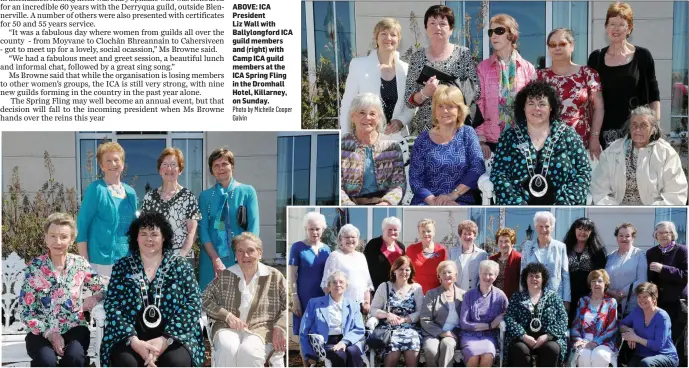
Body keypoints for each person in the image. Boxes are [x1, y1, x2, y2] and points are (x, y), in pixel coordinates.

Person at [100, 212, 204, 367]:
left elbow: (193, 303)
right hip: (129, 335)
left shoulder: (181, 266)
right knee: (126, 362)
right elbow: (112, 305)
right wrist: (134, 341)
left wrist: (165, 340)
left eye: (154, 234)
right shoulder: (122, 266)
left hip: (174, 336)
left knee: (175, 362)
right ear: (136, 237)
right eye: (143, 234)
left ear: (163, 237)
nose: (149, 239)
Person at [21, 213, 106, 367]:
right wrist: (50, 334)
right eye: (53, 236)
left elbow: (103, 288)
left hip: (74, 326)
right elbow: (26, 311)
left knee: (75, 358)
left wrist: (95, 297)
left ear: (71, 240)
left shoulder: (80, 264)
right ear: (46, 238)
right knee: (46, 361)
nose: (57, 242)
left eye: (63, 237)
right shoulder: (34, 267)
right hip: (41, 331)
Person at [490, 80, 591, 205]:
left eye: (542, 104)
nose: (536, 108)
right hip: (517, 211)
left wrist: (564, 204)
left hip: (562, 210)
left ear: (551, 108)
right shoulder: (509, 137)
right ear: (523, 107)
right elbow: (499, 174)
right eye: (531, 103)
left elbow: (583, 172)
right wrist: (518, 205)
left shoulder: (569, 136)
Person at [202, 232, 287, 367]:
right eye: (240, 251)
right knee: (227, 349)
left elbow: (289, 304)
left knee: (249, 352)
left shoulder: (274, 276)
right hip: (226, 327)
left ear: (260, 253)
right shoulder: (226, 275)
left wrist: (279, 327)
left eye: (250, 251)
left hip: (260, 328)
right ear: (236, 255)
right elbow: (204, 298)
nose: (245, 256)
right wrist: (227, 315)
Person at [587, 2, 660, 149]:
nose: (616, 28)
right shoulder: (596, 58)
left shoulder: (643, 56)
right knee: (611, 172)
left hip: (637, 130)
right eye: (612, 24)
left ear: (629, 28)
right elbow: (591, 101)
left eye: (621, 24)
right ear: (606, 27)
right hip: (606, 132)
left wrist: (653, 128)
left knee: (636, 171)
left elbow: (654, 96)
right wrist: (593, 136)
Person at [404, 4, 480, 134]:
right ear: (426, 29)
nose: (437, 27)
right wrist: (425, 93)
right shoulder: (417, 57)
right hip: (427, 129)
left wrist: (450, 93)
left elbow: (476, 90)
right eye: (432, 23)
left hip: (457, 128)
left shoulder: (463, 54)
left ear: (450, 29)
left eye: (443, 23)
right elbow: (409, 101)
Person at [590, 106, 688, 205]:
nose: (637, 130)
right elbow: (599, 189)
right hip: (617, 211)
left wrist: (650, 212)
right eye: (634, 125)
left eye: (643, 125)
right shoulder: (612, 151)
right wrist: (616, 211)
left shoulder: (666, 154)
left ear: (653, 129)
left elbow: (676, 194)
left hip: (654, 213)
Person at [408, 85, 485, 205]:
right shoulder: (422, 139)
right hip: (427, 202)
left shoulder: (467, 133)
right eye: (440, 106)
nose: (444, 111)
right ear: (434, 110)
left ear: (459, 110)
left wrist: (453, 195)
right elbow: (415, 179)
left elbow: (477, 167)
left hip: (460, 199)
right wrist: (433, 201)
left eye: (450, 106)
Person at [340, 18, 415, 135]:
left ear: (398, 39)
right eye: (383, 34)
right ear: (376, 38)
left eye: (393, 35)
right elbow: (347, 105)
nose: (388, 38)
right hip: (364, 138)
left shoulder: (407, 69)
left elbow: (411, 104)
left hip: (396, 140)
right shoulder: (358, 65)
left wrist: (401, 121)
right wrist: (345, 136)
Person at [198, 148, 259, 291]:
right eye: (216, 165)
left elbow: (254, 227)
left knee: (241, 305)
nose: (221, 168)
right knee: (212, 306)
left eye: (224, 164)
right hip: (211, 259)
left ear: (232, 166)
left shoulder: (247, 191)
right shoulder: (205, 196)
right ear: (211, 171)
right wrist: (215, 259)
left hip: (240, 257)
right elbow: (203, 230)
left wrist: (245, 255)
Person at [475, 14, 536, 159]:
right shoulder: (483, 68)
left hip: (522, 140)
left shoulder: (528, 68)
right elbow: (479, 104)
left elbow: (534, 106)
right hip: (491, 142)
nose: (493, 36)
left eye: (499, 31)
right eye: (491, 32)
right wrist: (481, 139)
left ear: (512, 34)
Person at [537, 28, 604, 158]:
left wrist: (594, 137)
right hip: (548, 147)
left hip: (580, 145)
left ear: (572, 46)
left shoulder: (588, 74)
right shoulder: (539, 76)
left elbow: (599, 108)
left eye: (562, 44)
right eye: (552, 45)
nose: (557, 48)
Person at [76, 142, 137, 280]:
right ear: (102, 166)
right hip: (101, 261)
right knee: (102, 300)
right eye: (108, 161)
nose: (113, 164)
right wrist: (84, 263)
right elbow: (82, 225)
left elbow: (134, 227)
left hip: (127, 259)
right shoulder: (96, 189)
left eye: (116, 160)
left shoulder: (131, 192)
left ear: (122, 163)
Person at [341, 93, 406, 206]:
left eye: (372, 114)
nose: (367, 118)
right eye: (362, 113)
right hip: (352, 205)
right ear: (352, 116)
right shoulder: (341, 146)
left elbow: (399, 184)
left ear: (379, 117)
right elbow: (337, 187)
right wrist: (349, 205)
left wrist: (386, 203)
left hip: (384, 205)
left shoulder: (392, 147)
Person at [141, 147, 201, 258]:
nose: (169, 168)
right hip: (156, 258)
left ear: (180, 170)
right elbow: (145, 230)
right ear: (159, 170)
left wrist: (180, 256)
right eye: (165, 164)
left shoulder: (188, 197)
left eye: (173, 164)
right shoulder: (149, 198)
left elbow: (192, 232)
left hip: (183, 258)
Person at [505, 263, 568, 367]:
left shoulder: (553, 297)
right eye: (531, 276)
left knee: (552, 348)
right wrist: (523, 336)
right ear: (525, 278)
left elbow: (563, 319)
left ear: (543, 279)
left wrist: (547, 336)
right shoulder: (517, 297)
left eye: (537, 276)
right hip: (523, 339)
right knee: (519, 349)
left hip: (548, 338)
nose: (534, 279)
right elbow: (509, 318)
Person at [300, 271, 366, 367]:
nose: (338, 285)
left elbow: (359, 328)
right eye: (334, 282)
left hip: (349, 340)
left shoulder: (353, 305)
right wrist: (309, 354)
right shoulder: (314, 303)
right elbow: (303, 331)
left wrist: (344, 342)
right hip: (326, 342)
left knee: (353, 352)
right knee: (339, 355)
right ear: (329, 286)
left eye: (341, 282)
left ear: (346, 286)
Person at [370, 256, 424, 367]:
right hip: (389, 329)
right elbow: (373, 309)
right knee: (393, 349)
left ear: (411, 272)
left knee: (413, 344)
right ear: (394, 270)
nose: (404, 272)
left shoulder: (416, 288)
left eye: (407, 269)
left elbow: (420, 312)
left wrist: (404, 320)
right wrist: (387, 314)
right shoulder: (384, 287)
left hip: (410, 328)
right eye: (400, 269)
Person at [646, 221, 687, 362]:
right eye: (660, 233)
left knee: (675, 340)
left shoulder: (682, 250)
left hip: (676, 304)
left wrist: (663, 269)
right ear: (655, 235)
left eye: (666, 232)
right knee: (659, 338)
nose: (663, 235)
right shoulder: (651, 252)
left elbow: (686, 276)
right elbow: (649, 280)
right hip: (657, 304)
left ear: (673, 234)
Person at [288, 212, 331, 340]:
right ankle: (306, 361)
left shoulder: (327, 249)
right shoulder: (297, 247)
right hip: (303, 296)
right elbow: (292, 274)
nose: (314, 232)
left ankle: (319, 360)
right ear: (305, 229)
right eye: (310, 229)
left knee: (320, 331)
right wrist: (295, 298)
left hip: (322, 296)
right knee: (304, 332)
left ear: (323, 229)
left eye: (317, 229)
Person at [459, 260, 509, 367]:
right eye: (484, 273)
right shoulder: (469, 295)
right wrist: (489, 325)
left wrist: (501, 319)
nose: (487, 277)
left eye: (491, 274)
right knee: (473, 354)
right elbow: (464, 323)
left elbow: (507, 313)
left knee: (488, 353)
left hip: (489, 336)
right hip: (469, 335)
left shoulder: (500, 296)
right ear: (479, 274)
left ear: (495, 276)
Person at [620, 282, 679, 367]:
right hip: (641, 355)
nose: (641, 300)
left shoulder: (662, 316)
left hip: (664, 355)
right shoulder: (637, 311)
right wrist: (630, 331)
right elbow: (621, 325)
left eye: (645, 297)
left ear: (654, 299)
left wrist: (636, 338)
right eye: (639, 297)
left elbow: (658, 346)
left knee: (646, 363)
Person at [520, 212, 571, 310]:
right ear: (535, 227)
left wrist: (567, 300)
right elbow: (523, 273)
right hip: (532, 297)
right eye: (540, 226)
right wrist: (523, 296)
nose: (543, 230)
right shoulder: (527, 246)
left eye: (547, 226)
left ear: (552, 227)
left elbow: (565, 275)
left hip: (555, 298)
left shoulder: (560, 247)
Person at [420, 261, 466, 368]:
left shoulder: (464, 295)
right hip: (433, 332)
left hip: (454, 333)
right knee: (431, 350)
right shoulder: (431, 294)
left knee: (448, 344)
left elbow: (467, 319)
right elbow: (425, 319)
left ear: (455, 275)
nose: (446, 275)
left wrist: (452, 333)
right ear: (439, 276)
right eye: (443, 273)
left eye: (449, 272)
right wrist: (442, 333)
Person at [563, 218, 608, 325]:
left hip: (589, 295)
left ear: (591, 232)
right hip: (569, 295)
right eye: (579, 229)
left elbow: (600, 275)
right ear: (574, 230)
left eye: (586, 230)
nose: (582, 232)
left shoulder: (597, 251)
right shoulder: (565, 248)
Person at [320, 224, 374, 314]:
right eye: (347, 237)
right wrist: (331, 305)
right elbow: (327, 283)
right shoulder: (335, 256)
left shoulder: (361, 256)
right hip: (340, 305)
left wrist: (367, 302)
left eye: (353, 237)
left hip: (359, 306)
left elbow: (367, 283)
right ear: (341, 239)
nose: (350, 240)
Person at [570, 269, 619, 367]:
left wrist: (596, 342)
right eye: (593, 281)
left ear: (605, 284)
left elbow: (612, 329)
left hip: (604, 343)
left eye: (600, 281)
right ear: (590, 285)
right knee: (584, 354)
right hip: (583, 341)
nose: (596, 284)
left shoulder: (611, 302)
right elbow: (575, 325)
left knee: (599, 355)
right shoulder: (583, 301)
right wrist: (579, 340)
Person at [605, 223, 648, 318]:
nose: (623, 238)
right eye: (621, 235)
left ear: (633, 238)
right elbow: (604, 279)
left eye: (627, 236)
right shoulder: (610, 256)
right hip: (610, 304)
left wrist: (622, 293)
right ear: (617, 238)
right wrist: (610, 292)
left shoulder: (639, 254)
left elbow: (642, 280)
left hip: (631, 305)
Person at [406, 218, 448, 293]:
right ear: (419, 233)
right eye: (423, 231)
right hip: (415, 294)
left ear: (434, 232)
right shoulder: (411, 249)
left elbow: (445, 273)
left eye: (429, 231)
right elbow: (405, 271)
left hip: (436, 294)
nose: (426, 234)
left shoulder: (442, 250)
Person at [364, 216, 406, 290]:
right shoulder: (373, 244)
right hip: (377, 289)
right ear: (383, 230)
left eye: (395, 230)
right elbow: (365, 267)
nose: (393, 232)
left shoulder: (401, 247)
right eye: (390, 229)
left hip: (397, 289)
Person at [451, 220, 488, 292]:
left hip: (475, 294)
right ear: (460, 235)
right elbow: (448, 273)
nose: (467, 237)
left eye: (470, 234)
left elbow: (483, 276)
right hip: (455, 295)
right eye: (464, 234)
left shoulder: (482, 254)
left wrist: (477, 292)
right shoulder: (452, 252)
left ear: (475, 236)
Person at [488, 227, 522, 300]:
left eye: (506, 241)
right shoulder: (492, 259)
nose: (503, 244)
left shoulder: (519, 259)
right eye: (500, 241)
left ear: (512, 243)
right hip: (494, 299)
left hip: (512, 301)